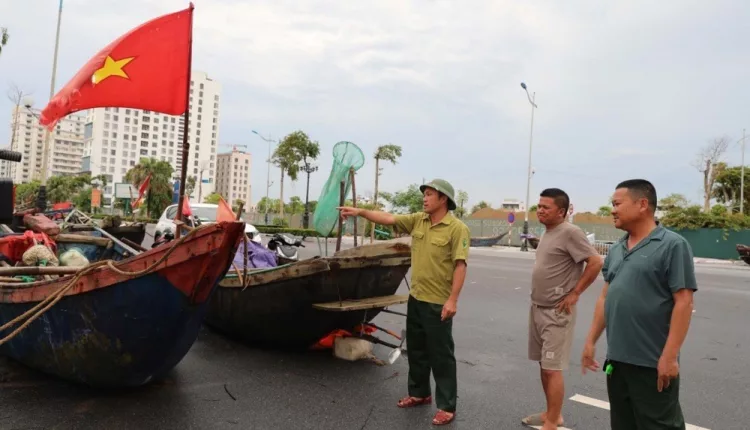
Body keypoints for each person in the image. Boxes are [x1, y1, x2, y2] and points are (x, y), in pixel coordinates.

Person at [338, 179, 470, 426]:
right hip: (417, 298)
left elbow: (460, 266)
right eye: (424, 194)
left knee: (441, 355)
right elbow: (388, 218)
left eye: (429, 194)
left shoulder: (457, 228)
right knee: (417, 350)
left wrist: (453, 300)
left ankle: (447, 406)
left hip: (438, 302)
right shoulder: (419, 220)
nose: (424, 198)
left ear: (443, 199)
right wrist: (360, 212)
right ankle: (419, 393)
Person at [581, 179, 697, 430]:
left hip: (651, 363)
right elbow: (605, 297)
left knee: (659, 425)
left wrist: (669, 357)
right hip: (617, 361)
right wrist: (591, 340)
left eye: (617, 204)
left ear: (642, 204)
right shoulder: (617, 249)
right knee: (623, 424)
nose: (612, 210)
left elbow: (684, 302)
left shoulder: (672, 245)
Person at [522, 188, 603, 430]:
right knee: (543, 365)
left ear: (561, 211)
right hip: (538, 308)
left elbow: (595, 262)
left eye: (545, 207)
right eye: (539, 206)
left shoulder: (570, 232)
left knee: (552, 368)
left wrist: (575, 293)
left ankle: (553, 422)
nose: (540, 211)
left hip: (556, 312)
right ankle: (551, 414)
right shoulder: (549, 232)